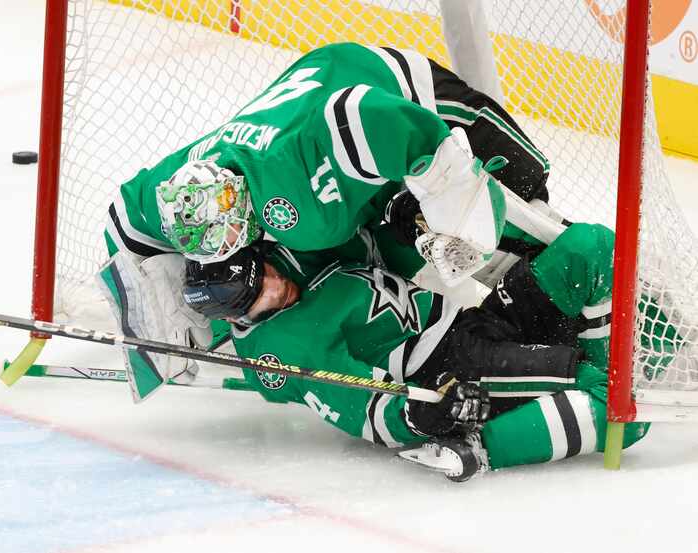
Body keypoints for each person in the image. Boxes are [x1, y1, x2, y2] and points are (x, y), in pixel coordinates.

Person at [174, 222, 660, 482]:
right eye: (262, 296)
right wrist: (425, 418)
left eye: (265, 273)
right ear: (233, 315)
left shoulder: (287, 256)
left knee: (589, 247)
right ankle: (479, 448)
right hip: (451, 370)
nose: (278, 286)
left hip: (471, 322)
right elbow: (366, 414)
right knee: (624, 407)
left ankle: (595, 372)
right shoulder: (283, 354)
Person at [104, 41, 554, 288]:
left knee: (526, 192)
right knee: (430, 235)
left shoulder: (291, 187)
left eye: (228, 238)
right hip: (319, 108)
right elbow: (124, 218)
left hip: (386, 85)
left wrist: (446, 184)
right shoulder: (181, 184)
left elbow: (371, 114)